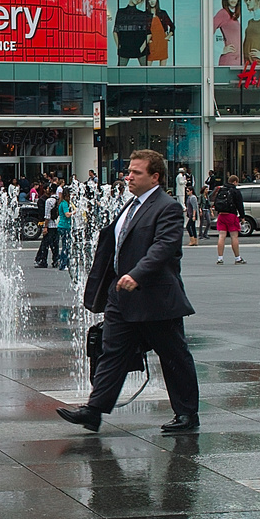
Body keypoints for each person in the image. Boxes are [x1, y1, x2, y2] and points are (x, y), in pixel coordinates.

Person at [58, 149, 199, 434]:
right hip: (121, 295)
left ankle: (187, 414)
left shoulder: (167, 207)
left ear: (154, 176)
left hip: (155, 298)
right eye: (129, 171)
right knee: (112, 352)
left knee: (173, 356)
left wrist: (137, 274)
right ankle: (94, 411)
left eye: (136, 172)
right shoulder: (131, 205)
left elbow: (164, 247)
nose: (129, 176)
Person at [211, 175, 245, 264]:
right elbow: (240, 205)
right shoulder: (235, 191)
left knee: (221, 236)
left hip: (221, 215)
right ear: (235, 182)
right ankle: (237, 258)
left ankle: (220, 258)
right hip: (231, 215)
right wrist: (242, 216)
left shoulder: (221, 190)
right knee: (234, 236)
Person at [34, 186, 63, 268]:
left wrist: (45, 227)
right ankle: (56, 260)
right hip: (57, 225)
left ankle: (43, 261)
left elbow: (47, 216)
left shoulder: (49, 201)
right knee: (55, 244)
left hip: (50, 225)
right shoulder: (60, 200)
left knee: (45, 244)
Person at [212, 0, 242, 66]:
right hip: (229, 60)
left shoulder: (236, 16)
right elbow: (206, 32)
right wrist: (220, 50)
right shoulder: (223, 13)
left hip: (239, 61)